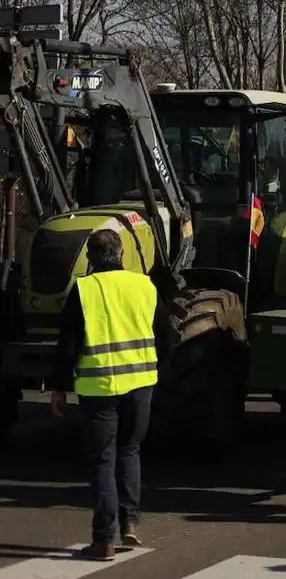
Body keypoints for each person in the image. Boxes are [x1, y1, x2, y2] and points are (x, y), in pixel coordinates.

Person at [50, 230, 171, 561]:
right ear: (121, 255)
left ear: (90, 258)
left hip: (99, 388)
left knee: (103, 459)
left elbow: (68, 344)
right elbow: (166, 336)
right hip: (141, 385)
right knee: (130, 451)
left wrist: (59, 387)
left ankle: (103, 539)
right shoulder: (145, 286)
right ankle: (130, 524)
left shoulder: (85, 290)